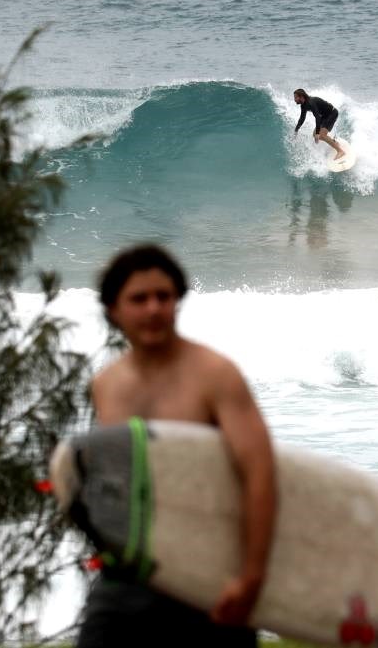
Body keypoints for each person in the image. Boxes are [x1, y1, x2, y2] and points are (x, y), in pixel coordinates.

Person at [77, 244, 277, 647]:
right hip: (130, 572)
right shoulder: (107, 385)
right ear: (114, 309)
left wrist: (251, 577)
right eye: (139, 299)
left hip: (207, 574)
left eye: (164, 297)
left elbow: (260, 476)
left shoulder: (215, 376)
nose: (153, 308)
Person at [293, 88, 347, 160]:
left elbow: (317, 117)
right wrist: (296, 130)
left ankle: (340, 151)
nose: (294, 99)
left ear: (302, 97)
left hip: (332, 113)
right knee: (314, 134)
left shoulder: (311, 103)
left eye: (296, 97)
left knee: (321, 135)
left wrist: (318, 133)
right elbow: (302, 118)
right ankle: (335, 143)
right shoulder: (303, 105)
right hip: (324, 116)